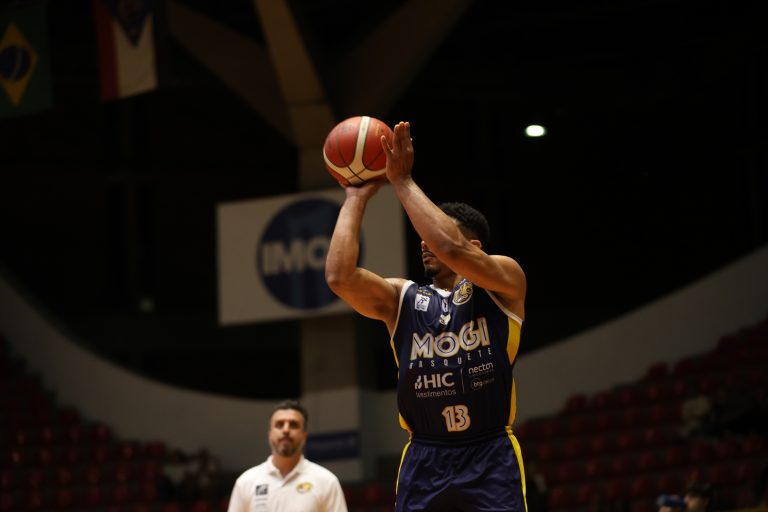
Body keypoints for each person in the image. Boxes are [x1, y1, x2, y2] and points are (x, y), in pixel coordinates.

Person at [325, 120, 528, 512]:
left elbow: (450, 248)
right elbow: (338, 277)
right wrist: (355, 197)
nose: (424, 241)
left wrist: (401, 181)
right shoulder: (402, 298)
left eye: (432, 234)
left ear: (475, 246)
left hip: (490, 453)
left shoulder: (504, 281)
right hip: (425, 455)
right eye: (421, 237)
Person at [227, 400, 348, 512]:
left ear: (304, 435)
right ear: (270, 433)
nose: (286, 430)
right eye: (279, 424)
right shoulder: (246, 482)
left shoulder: (327, 482)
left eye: (293, 425)